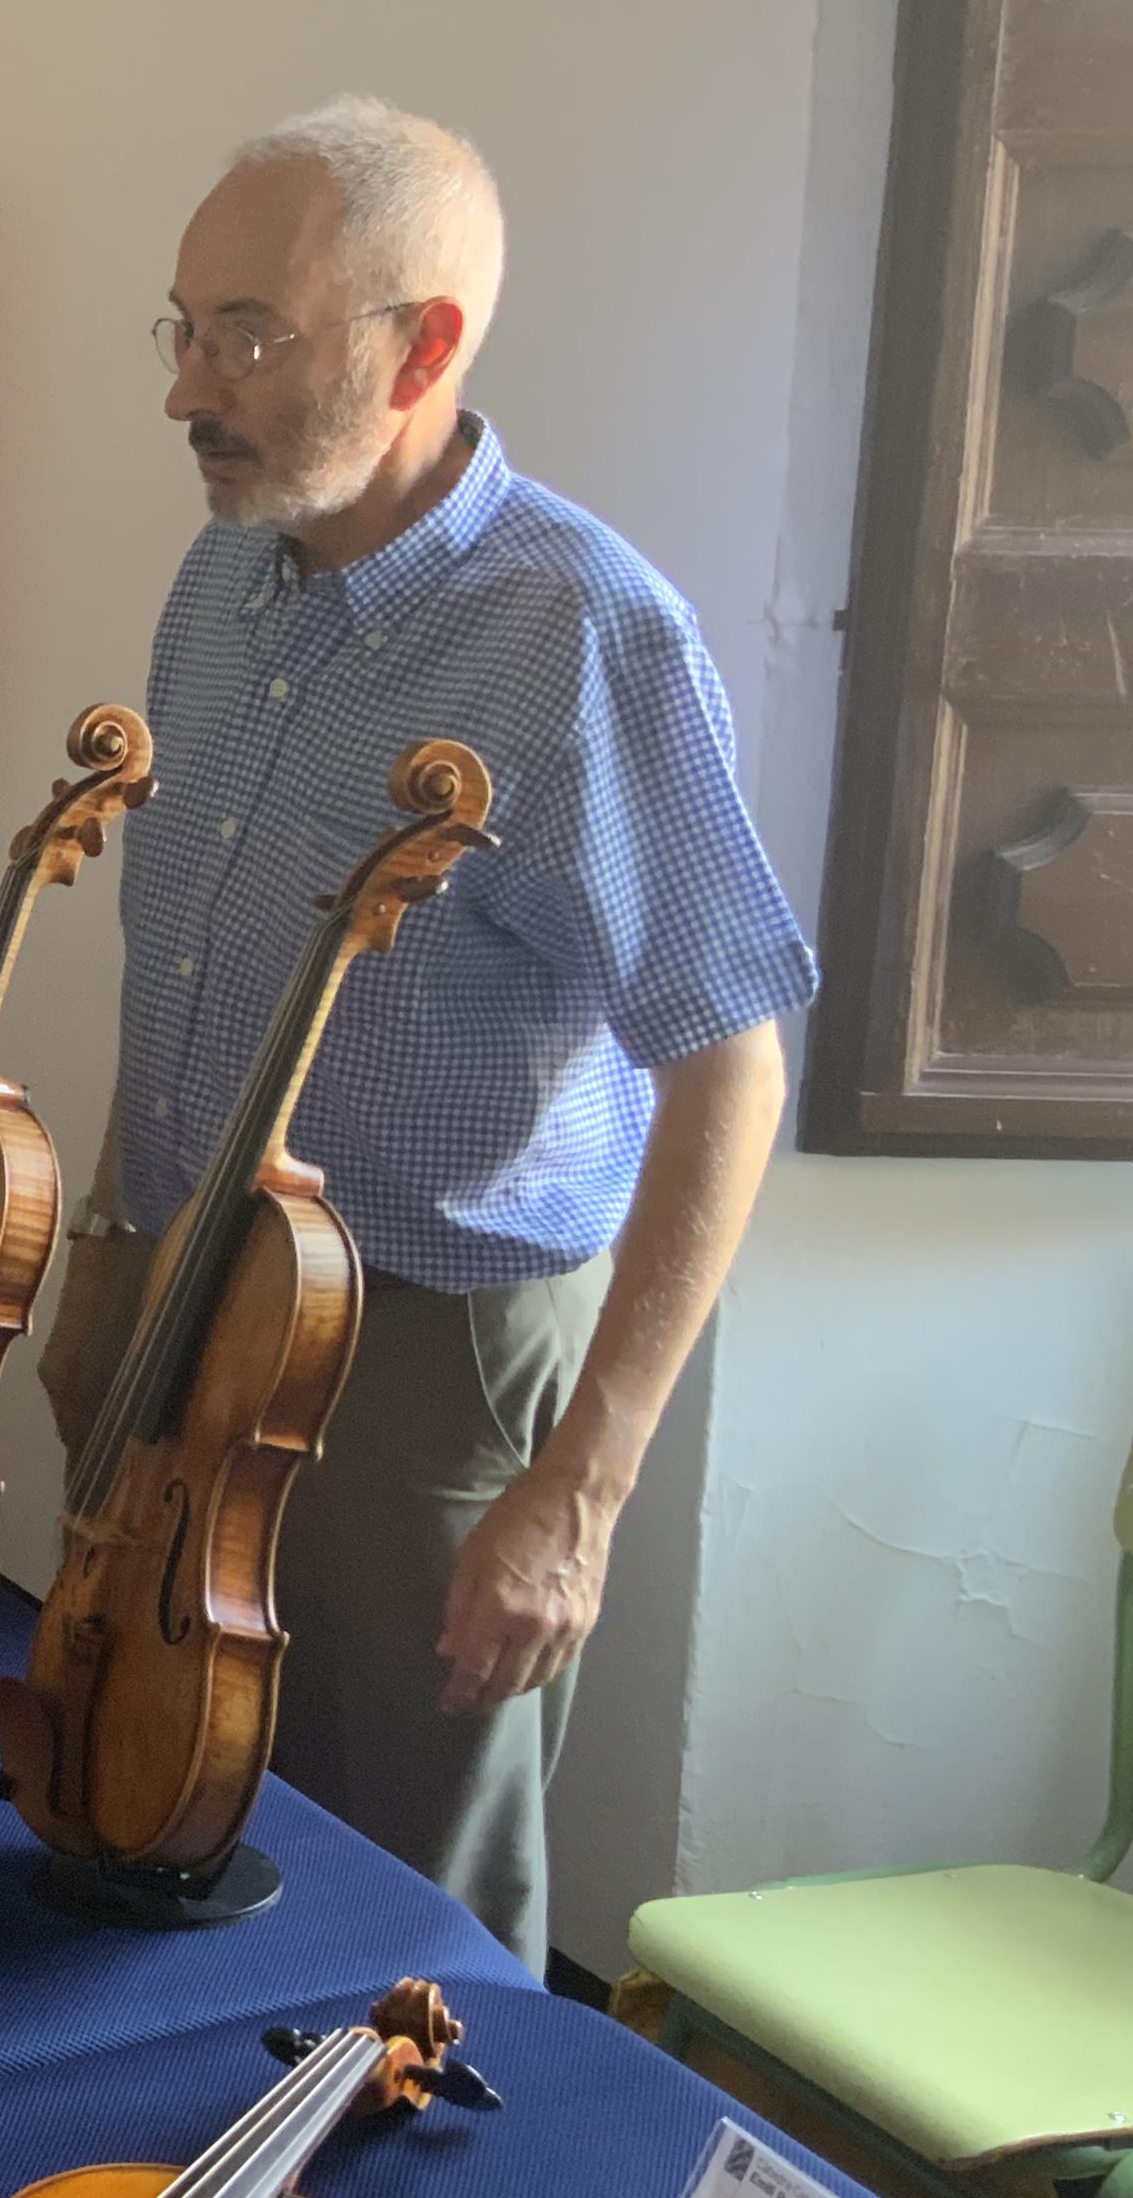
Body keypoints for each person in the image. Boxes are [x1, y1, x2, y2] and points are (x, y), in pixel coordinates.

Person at [40, 95, 809, 1976]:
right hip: (181, 1286)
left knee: (409, 1906)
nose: (186, 390)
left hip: (422, 1357)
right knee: (153, 1793)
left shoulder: (581, 630)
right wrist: (112, 1252)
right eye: (181, 327)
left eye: (246, 334)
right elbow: (182, 946)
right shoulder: (219, 581)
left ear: (422, 344)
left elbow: (729, 1053)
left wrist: (582, 1486)